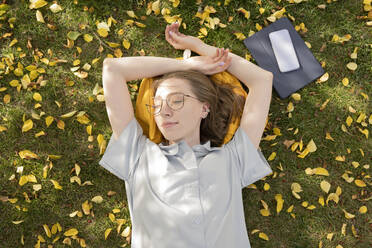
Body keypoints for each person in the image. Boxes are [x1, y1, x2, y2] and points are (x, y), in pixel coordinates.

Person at [99, 21, 274, 248]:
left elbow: (262, 80)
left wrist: (200, 46)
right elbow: (112, 69)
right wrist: (186, 65)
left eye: (177, 100)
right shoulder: (138, 155)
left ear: (204, 108)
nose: (164, 111)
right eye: (157, 104)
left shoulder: (233, 159)